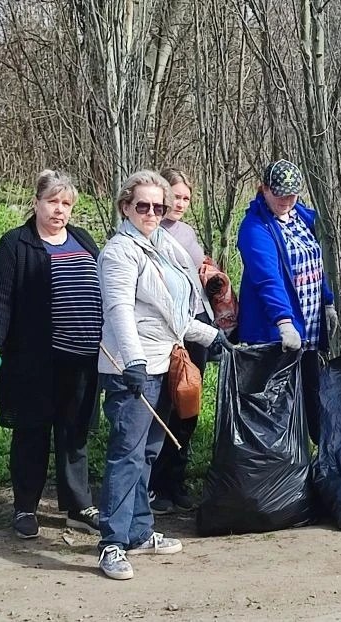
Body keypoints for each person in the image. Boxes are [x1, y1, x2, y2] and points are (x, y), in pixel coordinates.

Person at [95, 170, 226, 581]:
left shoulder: (165, 247)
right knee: (126, 454)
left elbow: (175, 314)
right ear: (125, 207)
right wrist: (132, 363)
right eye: (143, 206)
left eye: (159, 206)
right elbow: (119, 312)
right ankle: (111, 543)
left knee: (149, 452)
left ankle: (139, 529)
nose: (152, 213)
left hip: (164, 360)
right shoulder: (120, 253)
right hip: (132, 368)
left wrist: (212, 336)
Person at [0, 169, 103, 540]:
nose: (59, 210)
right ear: (36, 203)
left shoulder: (82, 238)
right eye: (53, 201)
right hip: (35, 359)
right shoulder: (15, 244)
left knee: (75, 433)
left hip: (83, 357)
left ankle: (78, 507)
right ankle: (25, 507)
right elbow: (0, 300)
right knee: (32, 432)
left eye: (66, 204)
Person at [236, 159, 337, 444]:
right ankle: (276, 471)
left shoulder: (303, 217)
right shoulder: (254, 228)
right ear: (264, 189)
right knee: (275, 407)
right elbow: (268, 278)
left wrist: (327, 300)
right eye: (278, 194)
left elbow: (315, 265)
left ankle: (316, 460)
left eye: (291, 194)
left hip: (309, 329)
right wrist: (283, 321)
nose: (285, 200)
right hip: (276, 333)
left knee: (310, 396)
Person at [147, 167, 215, 514]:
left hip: (198, 322)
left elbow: (198, 271)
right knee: (166, 405)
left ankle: (177, 478)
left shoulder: (187, 232)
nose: (180, 204)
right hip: (168, 329)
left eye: (187, 198)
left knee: (189, 404)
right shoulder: (149, 232)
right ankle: (155, 484)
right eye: (175, 197)